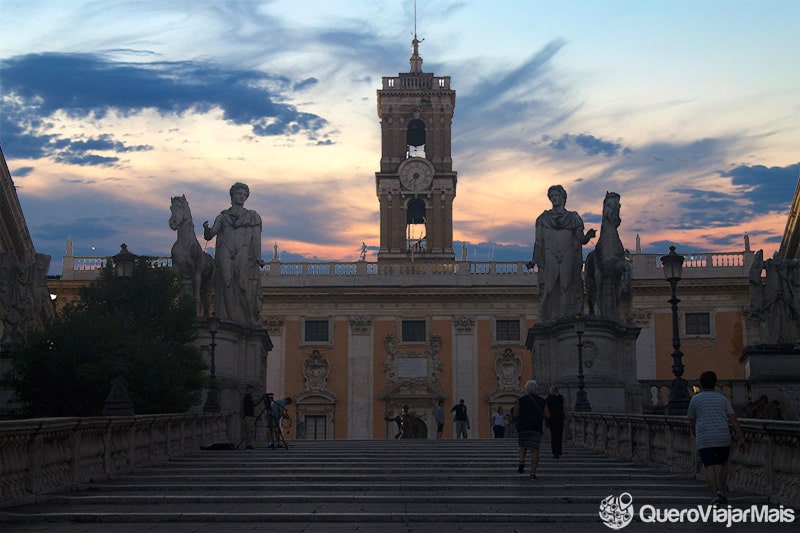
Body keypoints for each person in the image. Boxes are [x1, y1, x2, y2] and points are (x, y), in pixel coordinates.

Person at [527, 185, 596, 321]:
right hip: (550, 254)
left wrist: (588, 236)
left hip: (568, 253)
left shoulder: (573, 218)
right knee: (549, 287)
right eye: (552, 197)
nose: (554, 199)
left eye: (556, 195)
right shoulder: (543, 219)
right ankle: (545, 317)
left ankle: (565, 319)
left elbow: (580, 239)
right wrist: (534, 260)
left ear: (563, 197)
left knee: (566, 286)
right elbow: (539, 242)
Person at [203, 182, 263, 326]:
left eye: (244, 195)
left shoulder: (253, 217)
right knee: (226, 282)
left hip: (243, 251)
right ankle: (227, 319)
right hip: (225, 249)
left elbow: (256, 240)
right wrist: (206, 229)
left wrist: (258, 257)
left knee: (244, 284)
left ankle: (248, 319)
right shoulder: (223, 216)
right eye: (238, 194)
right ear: (232, 195)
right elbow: (210, 234)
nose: (241, 197)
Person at [687, 371, 746, 505]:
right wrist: (741, 438)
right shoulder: (722, 399)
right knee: (724, 464)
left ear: (701, 384)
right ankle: (722, 491)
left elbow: (691, 421)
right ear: (715, 383)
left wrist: (696, 433)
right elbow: (733, 419)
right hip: (722, 436)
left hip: (705, 438)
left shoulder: (695, 399)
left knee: (710, 467)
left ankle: (715, 496)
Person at [513, 380, 550, 479]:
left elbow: (515, 414)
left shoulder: (520, 400)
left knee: (522, 446)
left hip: (523, 427)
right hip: (535, 427)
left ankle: (521, 460)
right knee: (534, 450)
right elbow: (547, 415)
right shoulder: (542, 401)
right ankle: (533, 473)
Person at [545, 386, 568, 458]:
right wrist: (566, 418)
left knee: (553, 435)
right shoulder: (561, 397)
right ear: (557, 391)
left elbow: (545, 409)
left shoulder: (547, 398)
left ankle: (554, 451)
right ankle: (558, 451)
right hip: (559, 418)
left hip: (551, 418)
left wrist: (547, 419)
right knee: (559, 434)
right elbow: (564, 408)